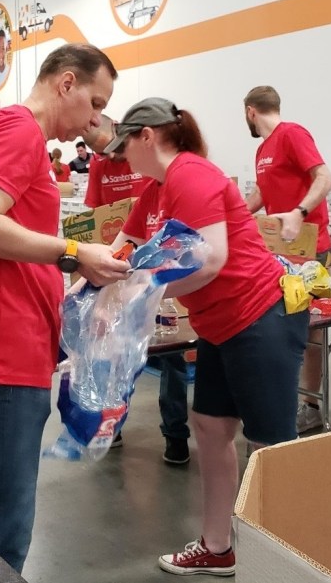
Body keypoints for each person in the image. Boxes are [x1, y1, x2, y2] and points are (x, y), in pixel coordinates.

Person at [0, 43, 130, 574]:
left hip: (3, 345)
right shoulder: (18, 130)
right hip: (2, 352)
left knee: (0, 518)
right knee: (3, 531)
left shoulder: (14, 134)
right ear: (66, 82)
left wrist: (69, 277)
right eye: (94, 102)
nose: (95, 120)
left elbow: (5, 238)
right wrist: (71, 253)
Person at [104, 97, 308, 576]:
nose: (122, 158)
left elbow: (209, 260)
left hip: (259, 315)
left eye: (125, 147)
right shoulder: (154, 192)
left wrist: (138, 294)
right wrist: (76, 290)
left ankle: (280, 562)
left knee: (269, 446)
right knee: (212, 429)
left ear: (146, 137)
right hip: (218, 324)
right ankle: (218, 548)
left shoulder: (190, 175)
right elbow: (120, 251)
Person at [86, 114, 190, 463]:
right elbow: (118, 237)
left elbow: (199, 255)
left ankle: (176, 433)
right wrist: (94, 282)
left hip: (168, 293)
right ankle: (113, 422)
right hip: (134, 282)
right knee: (116, 350)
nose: (119, 159)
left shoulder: (181, 182)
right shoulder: (143, 188)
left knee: (172, 355)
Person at [243, 86, 331, 434]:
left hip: (310, 249)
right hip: (279, 252)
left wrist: (300, 211)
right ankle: (280, 398)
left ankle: (310, 406)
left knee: (307, 330)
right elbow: (264, 193)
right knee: (276, 325)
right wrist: (232, 212)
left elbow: (324, 177)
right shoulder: (263, 148)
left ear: (250, 111)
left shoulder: (292, 134)